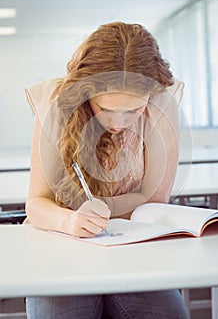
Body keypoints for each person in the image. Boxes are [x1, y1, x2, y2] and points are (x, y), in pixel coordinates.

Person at [25, 22, 189, 319]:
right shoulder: (55, 102)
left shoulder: (162, 102)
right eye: (106, 109)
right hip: (62, 242)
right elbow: (36, 203)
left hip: (134, 243)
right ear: (86, 93)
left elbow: (154, 200)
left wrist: (113, 218)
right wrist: (70, 220)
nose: (119, 123)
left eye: (133, 111)